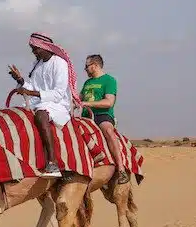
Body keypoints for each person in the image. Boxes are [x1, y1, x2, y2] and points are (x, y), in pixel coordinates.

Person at [7, 32, 79, 178]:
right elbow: (33, 87)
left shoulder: (60, 63)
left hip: (57, 104)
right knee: (16, 115)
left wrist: (30, 93)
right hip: (38, 102)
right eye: (32, 49)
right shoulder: (37, 65)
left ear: (45, 47)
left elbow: (58, 93)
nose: (33, 52)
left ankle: (53, 163)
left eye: (35, 48)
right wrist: (20, 80)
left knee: (41, 115)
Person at [80, 54, 129, 184]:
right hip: (85, 118)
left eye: (86, 66)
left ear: (95, 66)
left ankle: (121, 169)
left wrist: (87, 104)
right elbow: (79, 99)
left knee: (108, 132)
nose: (85, 69)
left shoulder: (109, 80)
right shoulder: (87, 83)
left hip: (102, 116)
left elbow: (109, 102)